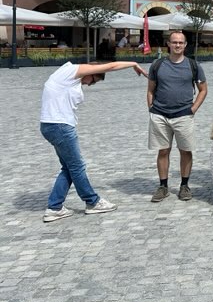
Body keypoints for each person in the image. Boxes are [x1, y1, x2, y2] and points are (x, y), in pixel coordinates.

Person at [41, 60, 147, 222]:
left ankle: (55, 207)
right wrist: (133, 64)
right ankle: (92, 202)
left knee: (69, 168)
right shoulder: (71, 72)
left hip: (52, 125)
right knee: (77, 167)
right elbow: (111, 66)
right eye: (94, 80)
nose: (91, 85)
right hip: (60, 126)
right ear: (90, 72)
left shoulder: (68, 77)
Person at [147, 30, 208, 203]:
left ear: (185, 44)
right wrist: (151, 108)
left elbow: (203, 89)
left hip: (183, 114)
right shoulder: (158, 65)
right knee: (163, 150)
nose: (177, 45)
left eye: (181, 42)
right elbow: (150, 89)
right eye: (174, 42)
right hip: (160, 114)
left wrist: (193, 109)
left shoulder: (193, 65)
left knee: (185, 151)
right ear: (168, 44)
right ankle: (163, 186)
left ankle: (184, 185)